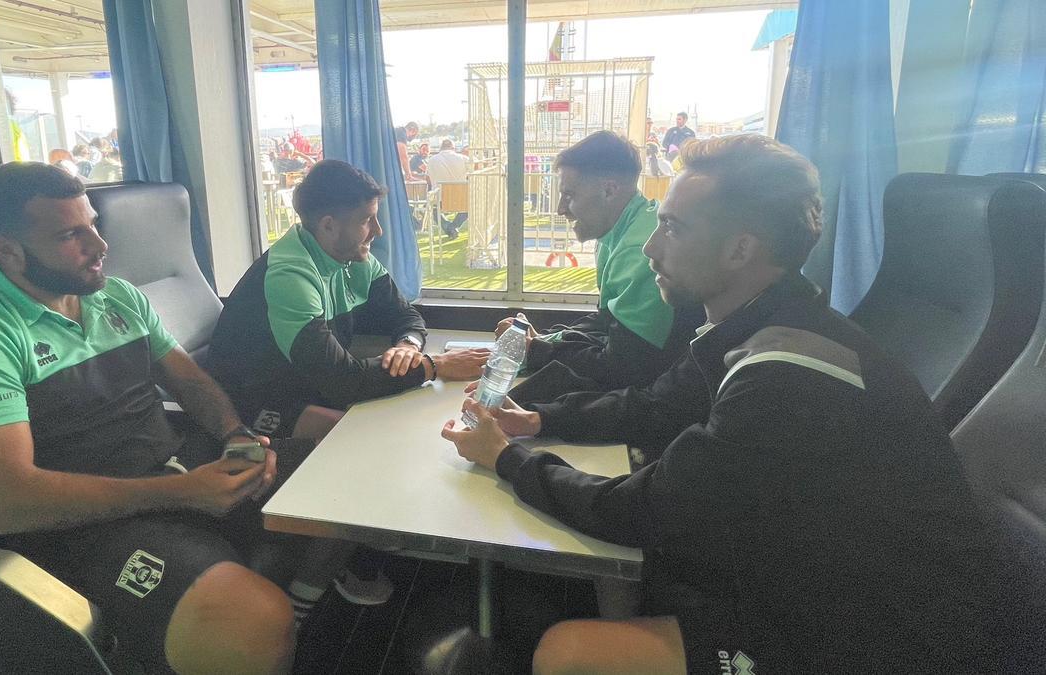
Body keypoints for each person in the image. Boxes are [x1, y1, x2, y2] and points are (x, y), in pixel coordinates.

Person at [442, 135, 1003, 673]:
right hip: (794, 566)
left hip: (862, 633)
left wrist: (506, 459)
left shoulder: (786, 378)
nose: (650, 247)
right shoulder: (756, 327)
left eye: (674, 229)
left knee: (567, 651)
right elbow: (655, 405)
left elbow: (642, 512)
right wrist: (538, 420)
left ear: (740, 249)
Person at [0, 163, 297, 673]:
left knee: (336, 480)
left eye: (92, 223)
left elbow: (191, 383)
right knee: (254, 622)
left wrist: (235, 434)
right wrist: (183, 492)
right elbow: (4, 505)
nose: (99, 246)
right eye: (71, 234)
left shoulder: (117, 297)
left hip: (174, 477)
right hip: (83, 529)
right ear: (8, 251)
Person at [209, 159, 488, 443]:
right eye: (367, 220)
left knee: (399, 419)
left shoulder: (354, 257)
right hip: (251, 401)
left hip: (310, 383)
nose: (378, 231)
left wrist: (408, 347)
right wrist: (434, 365)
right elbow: (342, 382)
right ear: (329, 226)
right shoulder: (290, 277)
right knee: (369, 438)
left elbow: (406, 316)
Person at [495, 131, 700, 399]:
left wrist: (533, 350)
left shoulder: (639, 249)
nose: (560, 209)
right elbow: (607, 323)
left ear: (609, 190)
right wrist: (544, 340)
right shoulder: (617, 231)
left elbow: (621, 368)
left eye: (569, 195)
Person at [425, 138, 469, 239]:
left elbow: (427, 178)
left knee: (433, 210)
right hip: (460, 198)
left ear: (441, 148)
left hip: (440, 199)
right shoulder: (463, 158)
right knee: (469, 208)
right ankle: (453, 226)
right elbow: (476, 168)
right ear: (453, 148)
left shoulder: (431, 160)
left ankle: (449, 228)